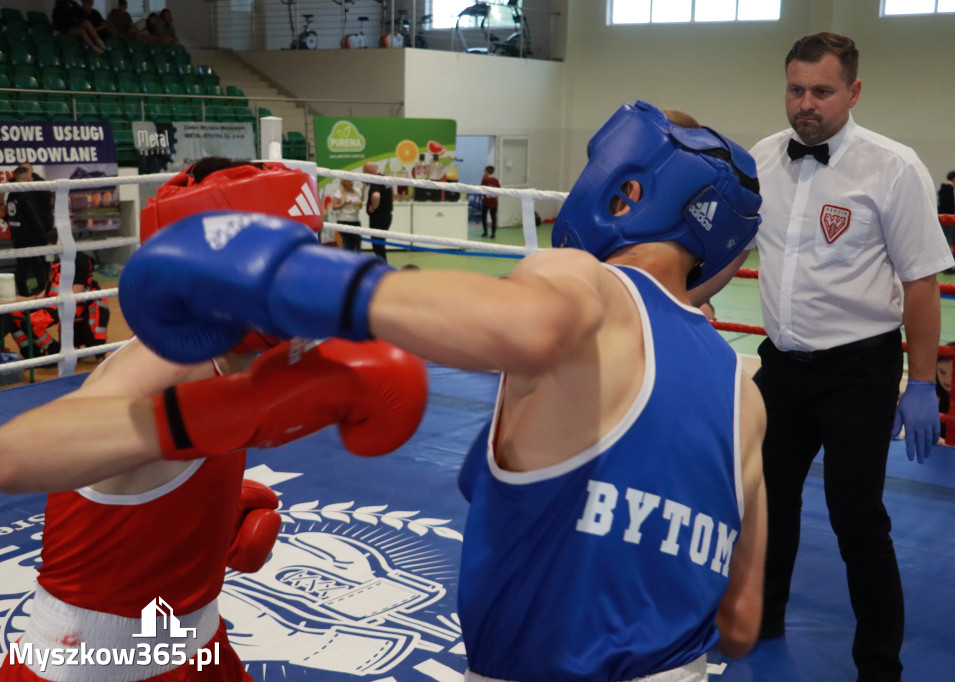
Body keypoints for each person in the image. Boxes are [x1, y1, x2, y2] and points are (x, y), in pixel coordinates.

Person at [118, 100, 768, 681]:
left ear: (627, 190)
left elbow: (532, 329)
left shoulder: (579, 281)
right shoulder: (746, 396)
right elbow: (741, 625)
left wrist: (293, 278)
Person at [0, 158, 429, 682]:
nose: (312, 278)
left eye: (311, 249)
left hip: (194, 641)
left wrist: (204, 514)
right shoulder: (166, 364)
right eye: (286, 263)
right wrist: (236, 413)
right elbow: (12, 458)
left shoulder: (239, 358)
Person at [749, 32, 953, 682]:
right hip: (780, 366)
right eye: (796, 89)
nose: (805, 104)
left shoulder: (893, 167)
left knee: (857, 517)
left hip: (857, 370)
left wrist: (922, 382)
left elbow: (922, 279)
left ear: (853, 91)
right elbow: (731, 249)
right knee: (766, 501)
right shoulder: (761, 159)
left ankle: (878, 664)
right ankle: (763, 616)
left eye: (821, 91)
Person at [8, 228, 109, 359]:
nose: (48, 247)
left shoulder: (80, 261)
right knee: (13, 316)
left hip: (69, 304)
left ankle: (53, 350)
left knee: (30, 322)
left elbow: (76, 293)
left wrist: (48, 301)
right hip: (51, 302)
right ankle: (31, 353)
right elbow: (50, 286)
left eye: (50, 244)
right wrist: (30, 300)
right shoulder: (57, 261)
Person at [5, 167, 50, 298]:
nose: (32, 179)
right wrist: (44, 236)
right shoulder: (26, 196)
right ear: (25, 179)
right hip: (31, 237)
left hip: (18, 237)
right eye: (30, 177)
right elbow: (34, 217)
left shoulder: (12, 195)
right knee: (39, 265)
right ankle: (43, 290)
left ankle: (22, 290)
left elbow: (11, 215)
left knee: (22, 265)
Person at [363, 161, 393, 263]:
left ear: (368, 171)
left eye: (364, 171)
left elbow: (376, 196)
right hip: (387, 215)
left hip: (378, 217)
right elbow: (391, 191)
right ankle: (383, 264)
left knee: (377, 245)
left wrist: (373, 208)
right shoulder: (384, 178)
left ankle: (383, 266)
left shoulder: (375, 181)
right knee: (380, 243)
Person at [327, 178, 363, 251]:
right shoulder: (339, 192)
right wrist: (344, 204)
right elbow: (334, 207)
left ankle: (357, 261)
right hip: (344, 220)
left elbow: (360, 204)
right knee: (348, 244)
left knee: (357, 244)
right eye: (349, 180)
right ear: (344, 182)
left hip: (355, 220)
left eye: (352, 180)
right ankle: (348, 260)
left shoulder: (357, 191)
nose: (352, 182)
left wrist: (359, 205)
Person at [938, 170, 955, 267]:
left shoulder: (943, 188)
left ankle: (946, 263)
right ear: (954, 178)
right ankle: (948, 264)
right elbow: (948, 204)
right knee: (949, 241)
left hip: (944, 217)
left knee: (947, 240)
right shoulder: (948, 189)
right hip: (948, 218)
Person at [479, 165, 500, 239]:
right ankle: (493, 234)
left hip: (486, 202)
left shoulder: (484, 180)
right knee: (493, 218)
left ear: (487, 171)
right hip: (494, 202)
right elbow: (499, 189)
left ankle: (485, 232)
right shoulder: (496, 180)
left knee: (484, 217)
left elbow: (481, 188)